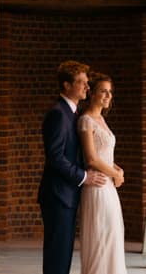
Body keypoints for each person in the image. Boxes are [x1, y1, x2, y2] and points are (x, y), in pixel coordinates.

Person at [39, 60, 109, 274]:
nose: (87, 87)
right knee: (57, 257)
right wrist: (83, 177)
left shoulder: (74, 113)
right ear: (67, 86)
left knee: (63, 255)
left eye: (87, 83)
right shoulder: (58, 114)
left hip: (66, 195)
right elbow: (56, 157)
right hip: (58, 195)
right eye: (81, 82)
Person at [77, 72, 127, 274]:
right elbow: (91, 158)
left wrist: (117, 169)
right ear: (92, 93)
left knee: (112, 236)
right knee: (101, 240)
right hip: (97, 186)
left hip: (108, 186)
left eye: (110, 92)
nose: (108, 96)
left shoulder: (100, 119)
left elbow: (104, 155)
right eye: (103, 91)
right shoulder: (86, 121)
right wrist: (114, 175)